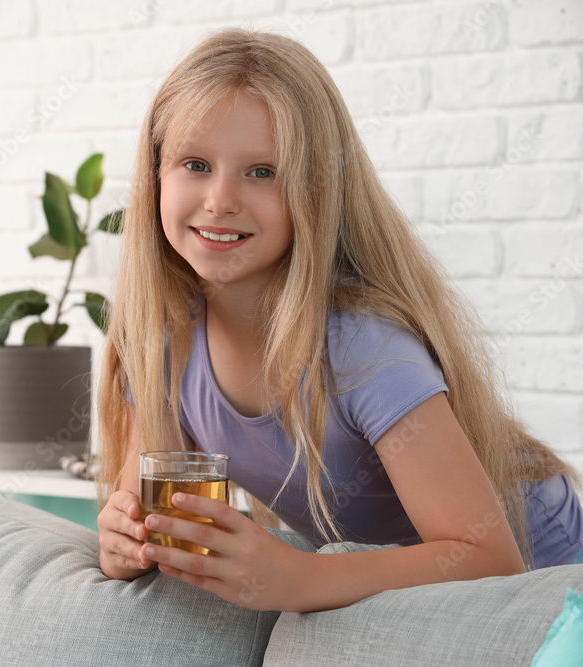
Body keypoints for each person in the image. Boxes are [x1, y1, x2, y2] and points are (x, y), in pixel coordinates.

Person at [94, 27, 583, 613]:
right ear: (154, 178)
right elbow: (141, 517)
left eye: (262, 172)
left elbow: (488, 560)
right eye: (195, 164)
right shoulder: (165, 343)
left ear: (319, 189)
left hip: (548, 577)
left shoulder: (364, 349)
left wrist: (298, 579)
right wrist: (122, 542)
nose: (220, 199)